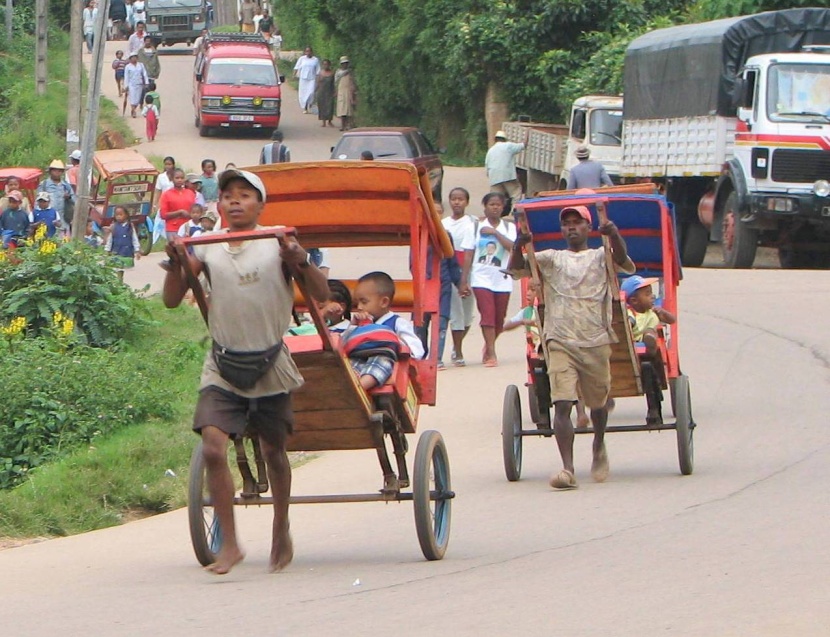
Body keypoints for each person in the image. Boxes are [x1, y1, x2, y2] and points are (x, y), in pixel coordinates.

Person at [162, 167, 330, 575]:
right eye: (228, 196)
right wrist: (178, 263)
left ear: (260, 204)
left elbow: (321, 294)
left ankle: (280, 524)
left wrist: (299, 260)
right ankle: (232, 544)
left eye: (245, 195)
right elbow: (171, 300)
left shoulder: (277, 240)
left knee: (273, 450)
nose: (235, 201)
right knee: (214, 448)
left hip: (270, 359)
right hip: (222, 361)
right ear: (218, 204)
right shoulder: (205, 245)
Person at [508, 204, 635, 490]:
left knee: (598, 404)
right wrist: (520, 245)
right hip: (559, 339)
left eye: (577, 223)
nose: (571, 228)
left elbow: (624, 260)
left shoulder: (602, 254)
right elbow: (516, 270)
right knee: (562, 404)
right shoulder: (551, 259)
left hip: (595, 340)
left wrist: (613, 234)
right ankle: (567, 468)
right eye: (567, 224)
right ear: (561, 230)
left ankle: (599, 444)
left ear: (589, 228)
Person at [341, 272, 425, 390]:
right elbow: (343, 345)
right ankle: (349, 386)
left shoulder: (397, 323)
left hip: (386, 368)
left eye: (364, 302)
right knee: (349, 363)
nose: (359, 307)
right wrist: (352, 327)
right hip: (360, 362)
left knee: (382, 360)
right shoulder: (358, 324)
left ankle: (359, 389)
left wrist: (393, 343)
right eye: (357, 303)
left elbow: (417, 350)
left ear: (384, 302)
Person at [621, 275, 676, 426]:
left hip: (647, 352)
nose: (652, 296)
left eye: (651, 293)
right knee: (635, 335)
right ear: (634, 301)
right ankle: (647, 339)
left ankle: (649, 339)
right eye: (647, 294)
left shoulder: (653, 313)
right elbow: (627, 323)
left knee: (650, 340)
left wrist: (662, 313)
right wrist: (629, 324)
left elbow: (672, 320)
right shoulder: (629, 313)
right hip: (630, 346)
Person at [471, 192, 517, 367]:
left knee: (499, 318)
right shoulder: (477, 227)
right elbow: (469, 252)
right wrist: (464, 279)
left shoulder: (509, 228)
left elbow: (512, 247)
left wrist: (495, 233)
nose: (495, 207)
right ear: (485, 206)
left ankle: (488, 345)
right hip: (481, 278)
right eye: (492, 204)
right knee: (487, 315)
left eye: (498, 204)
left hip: (502, 278)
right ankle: (491, 353)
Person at [441, 187, 476, 367]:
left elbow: (471, 251)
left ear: (467, 202)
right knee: (456, 313)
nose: (457, 202)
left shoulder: (472, 223)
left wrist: (465, 278)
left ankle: (456, 345)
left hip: (468, 271)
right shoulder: (443, 224)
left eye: (461, 199)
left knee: (468, 315)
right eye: (454, 199)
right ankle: (458, 352)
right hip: (450, 270)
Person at [485, 129, 527, 213]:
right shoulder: (508, 146)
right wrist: (527, 133)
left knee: (495, 198)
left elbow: (487, 167)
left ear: (495, 139)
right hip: (507, 176)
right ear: (504, 139)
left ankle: (493, 214)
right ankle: (513, 213)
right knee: (516, 193)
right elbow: (523, 145)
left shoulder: (490, 150)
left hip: (494, 178)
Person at [159, 169, 196, 240]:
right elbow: (163, 215)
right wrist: (179, 212)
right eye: (177, 178)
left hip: (189, 227)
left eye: (182, 178)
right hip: (173, 229)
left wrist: (191, 215)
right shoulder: (166, 194)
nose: (179, 180)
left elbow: (195, 209)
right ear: (172, 179)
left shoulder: (190, 193)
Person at [38, 160, 75, 229]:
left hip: (63, 220)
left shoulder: (66, 185)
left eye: (59, 171)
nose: (57, 173)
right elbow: (37, 203)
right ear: (50, 171)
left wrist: (68, 197)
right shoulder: (44, 185)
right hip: (47, 219)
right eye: (55, 170)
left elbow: (74, 200)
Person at [293, 47, 320, 113]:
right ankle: (305, 108)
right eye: (307, 51)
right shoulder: (302, 59)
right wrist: (293, 75)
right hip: (303, 79)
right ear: (305, 52)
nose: (308, 53)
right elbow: (296, 67)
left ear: (312, 52)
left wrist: (318, 79)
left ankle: (310, 104)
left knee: (311, 93)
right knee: (304, 93)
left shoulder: (315, 60)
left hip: (312, 79)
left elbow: (318, 71)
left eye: (309, 51)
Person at [335, 56, 357, 131]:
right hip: (341, 91)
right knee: (341, 110)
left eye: (346, 63)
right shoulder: (338, 72)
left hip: (349, 91)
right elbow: (336, 82)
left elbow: (353, 82)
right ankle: (342, 125)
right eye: (343, 63)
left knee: (349, 109)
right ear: (341, 64)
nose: (345, 65)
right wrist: (335, 91)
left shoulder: (350, 72)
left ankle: (349, 125)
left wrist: (354, 91)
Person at [123, 53, 148, 118]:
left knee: (137, 99)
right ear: (130, 59)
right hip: (131, 84)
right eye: (132, 57)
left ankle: (133, 108)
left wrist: (146, 82)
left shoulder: (141, 65)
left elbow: (144, 74)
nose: (134, 59)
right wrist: (126, 86)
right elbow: (126, 77)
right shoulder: (128, 67)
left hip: (139, 83)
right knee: (132, 98)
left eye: (135, 57)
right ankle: (133, 111)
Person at [315, 59, 335, 127]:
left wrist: (335, 92)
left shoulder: (332, 73)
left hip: (329, 91)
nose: (325, 66)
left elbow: (334, 84)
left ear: (329, 65)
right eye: (324, 64)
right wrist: (315, 91)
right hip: (321, 92)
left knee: (330, 106)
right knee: (322, 106)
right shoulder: (320, 73)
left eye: (327, 64)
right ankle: (323, 122)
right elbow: (317, 83)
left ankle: (329, 121)